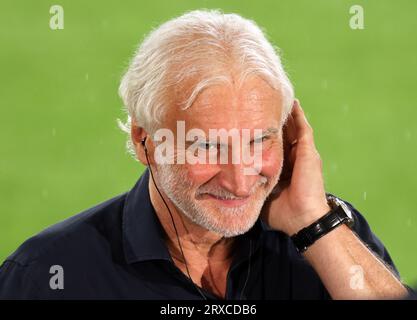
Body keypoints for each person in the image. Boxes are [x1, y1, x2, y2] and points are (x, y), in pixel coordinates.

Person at [0, 10, 411, 299]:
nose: (240, 179)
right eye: (207, 145)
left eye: (258, 141)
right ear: (146, 142)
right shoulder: (46, 276)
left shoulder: (331, 240)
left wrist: (313, 225)